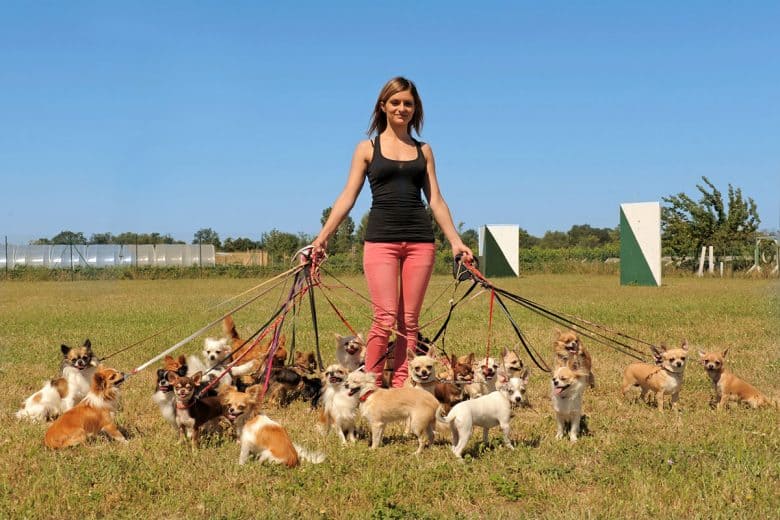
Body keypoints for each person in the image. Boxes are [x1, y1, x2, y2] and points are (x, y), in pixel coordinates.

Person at [311, 77, 473, 388]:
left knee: (409, 322)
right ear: (383, 106)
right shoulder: (367, 149)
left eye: (408, 103)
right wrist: (323, 237)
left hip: (420, 242)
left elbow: (436, 200)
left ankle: (402, 387)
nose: (402, 108)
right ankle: (369, 386)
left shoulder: (423, 150)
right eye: (395, 102)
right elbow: (348, 196)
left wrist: (456, 242)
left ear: (416, 109)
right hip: (380, 241)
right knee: (384, 319)